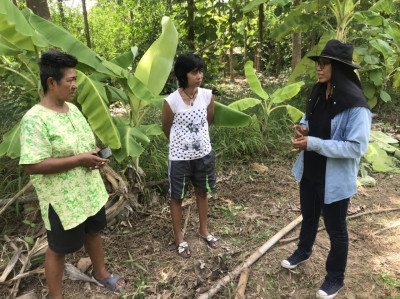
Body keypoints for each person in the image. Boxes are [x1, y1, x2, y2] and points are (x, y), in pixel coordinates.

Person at [19, 51, 125, 298]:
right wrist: (79, 160)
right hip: (62, 201)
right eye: (70, 80)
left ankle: (101, 273)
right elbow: (32, 165)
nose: (75, 85)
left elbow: (81, 148)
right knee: (58, 249)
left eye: (75, 79)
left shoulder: (73, 110)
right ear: (51, 82)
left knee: (94, 232)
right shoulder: (34, 120)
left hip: (88, 191)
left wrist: (92, 155)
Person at [281, 40, 371, 299]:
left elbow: (356, 148)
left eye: (324, 64)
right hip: (310, 170)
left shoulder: (356, 106)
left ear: (339, 68)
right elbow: (309, 118)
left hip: (334, 178)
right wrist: (302, 128)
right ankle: (303, 250)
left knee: (336, 229)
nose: (318, 69)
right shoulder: (319, 92)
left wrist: (314, 143)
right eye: (318, 64)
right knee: (308, 216)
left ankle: (335, 278)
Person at [162, 54, 219, 258]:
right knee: (177, 197)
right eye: (194, 72)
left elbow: (209, 120)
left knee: (202, 192)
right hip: (179, 158)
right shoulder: (171, 101)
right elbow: (166, 129)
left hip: (203, 155)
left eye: (200, 71)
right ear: (182, 75)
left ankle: (204, 230)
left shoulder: (207, 96)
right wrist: (182, 145)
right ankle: (179, 237)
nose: (199, 76)